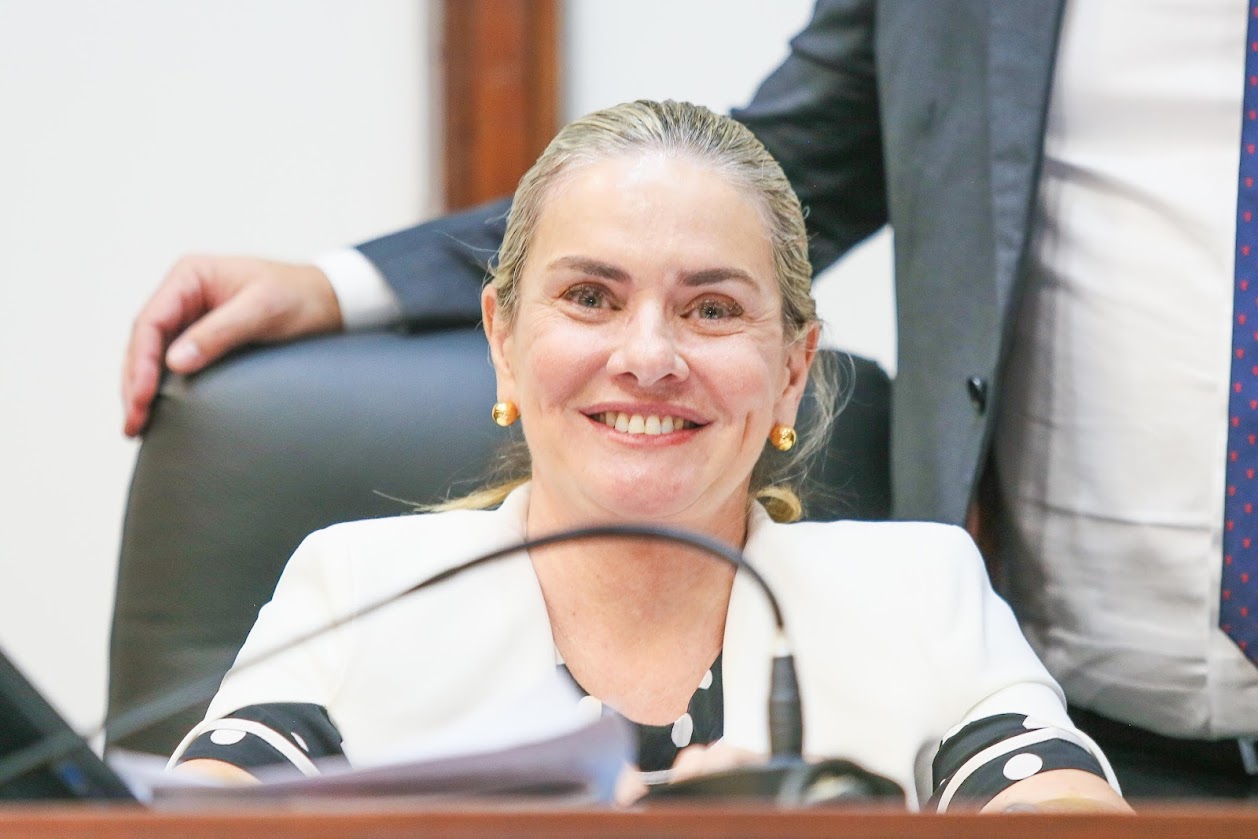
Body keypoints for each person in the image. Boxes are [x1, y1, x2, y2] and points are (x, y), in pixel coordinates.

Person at [123, 1, 1258, 797]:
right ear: (503, 343)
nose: (649, 355)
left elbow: (1059, 809)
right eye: (590, 297)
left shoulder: (920, 594)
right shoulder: (356, 591)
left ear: (794, 367)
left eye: (712, 309)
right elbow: (207, 804)